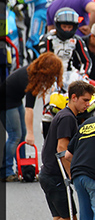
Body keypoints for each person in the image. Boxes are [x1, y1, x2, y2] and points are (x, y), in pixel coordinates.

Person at [22, 81, 95, 220]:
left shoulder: (65, 115)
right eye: (84, 100)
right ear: (73, 97)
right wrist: (73, 176)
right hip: (55, 174)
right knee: (69, 218)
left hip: (48, 173)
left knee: (58, 219)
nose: (87, 104)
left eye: (89, 101)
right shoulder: (67, 118)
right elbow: (61, 150)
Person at [1, 52, 63, 182]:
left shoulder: (34, 73)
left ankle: (21, 167)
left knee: (20, 135)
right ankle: (5, 171)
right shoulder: (30, 78)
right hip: (5, 103)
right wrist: (31, 133)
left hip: (15, 100)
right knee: (15, 135)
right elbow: (29, 109)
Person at [38, 8, 93, 75]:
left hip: (70, 74)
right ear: (58, 25)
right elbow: (44, 62)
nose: (67, 30)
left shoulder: (77, 40)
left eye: (69, 27)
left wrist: (84, 75)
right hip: (50, 75)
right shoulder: (48, 39)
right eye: (64, 26)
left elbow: (87, 61)